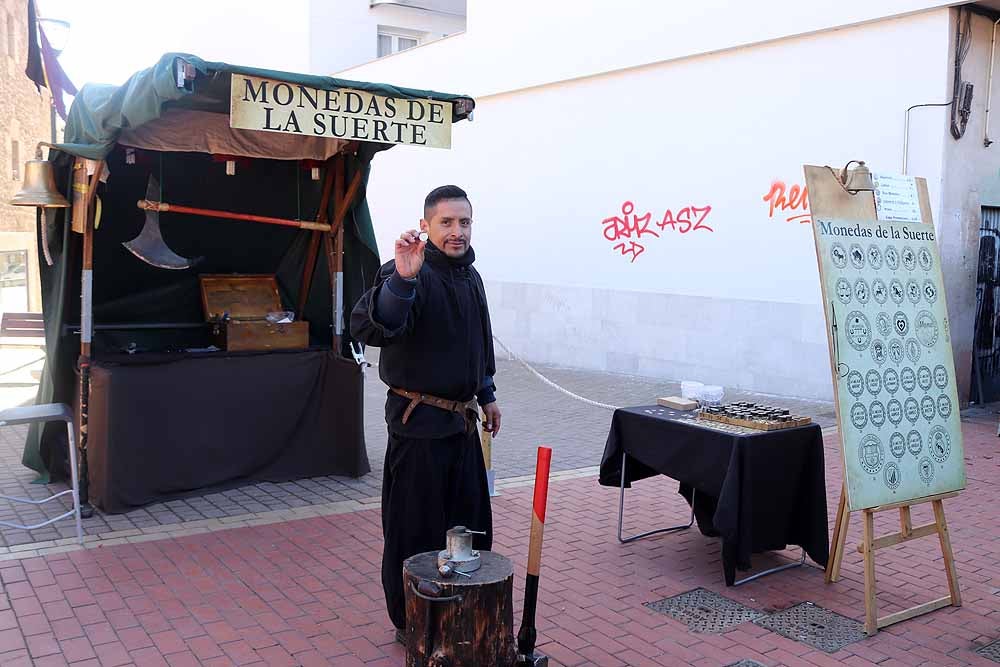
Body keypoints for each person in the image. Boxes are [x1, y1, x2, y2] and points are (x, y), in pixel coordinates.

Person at [350, 185, 501, 638]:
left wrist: (487, 393)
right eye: (447, 223)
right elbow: (378, 325)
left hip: (461, 425)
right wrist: (403, 280)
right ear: (427, 225)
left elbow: (480, 343)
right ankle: (413, 622)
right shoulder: (405, 270)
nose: (458, 232)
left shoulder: (470, 277)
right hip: (418, 430)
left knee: (470, 529)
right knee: (413, 534)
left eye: (465, 222)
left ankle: (462, 614)